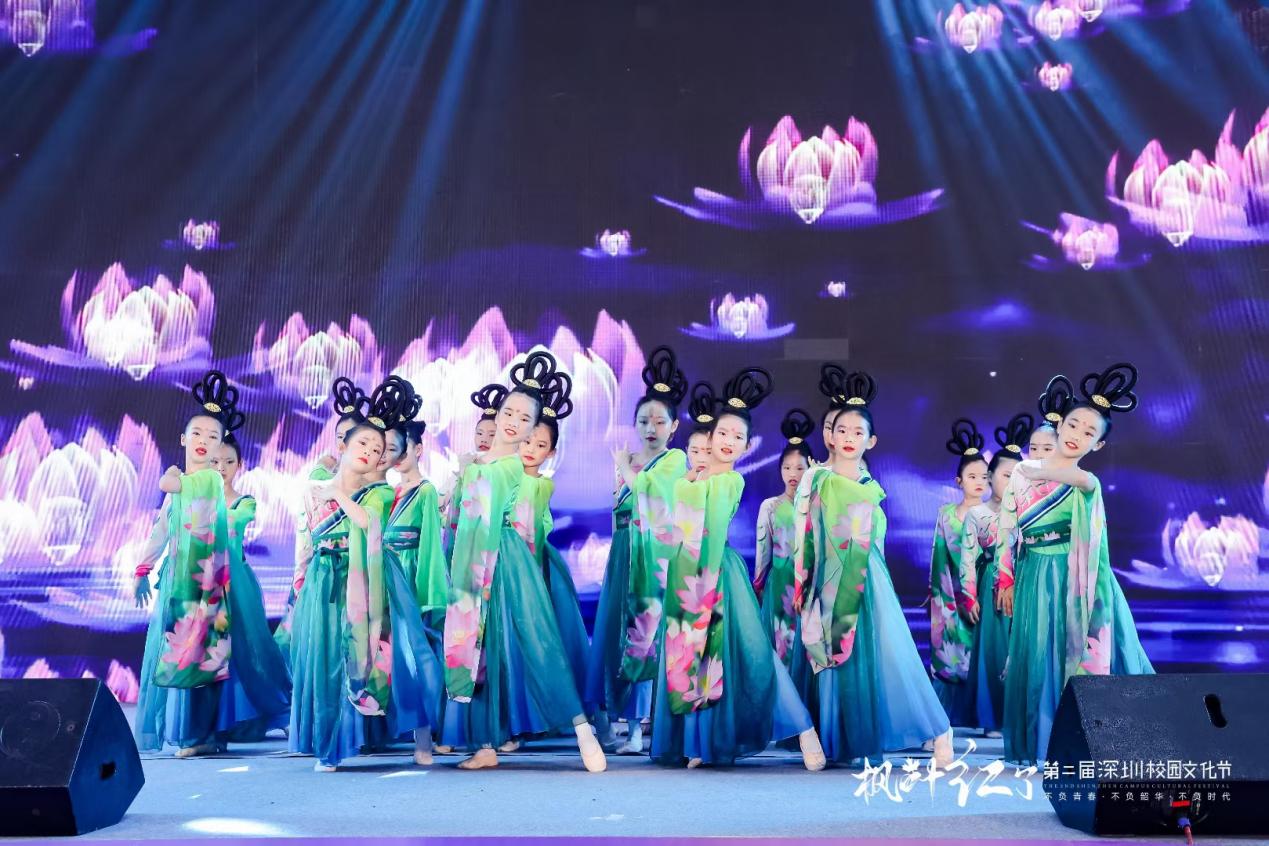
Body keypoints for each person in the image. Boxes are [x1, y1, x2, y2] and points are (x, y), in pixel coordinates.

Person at [441, 351, 607, 772]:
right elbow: (457, 519)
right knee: (483, 653)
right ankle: (485, 744)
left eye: (525, 418)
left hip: (504, 559)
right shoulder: (477, 462)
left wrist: (471, 473)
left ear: (534, 428)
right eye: (509, 412)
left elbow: (489, 510)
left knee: (537, 642)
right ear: (497, 414)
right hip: (472, 561)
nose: (514, 422)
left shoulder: (512, 466)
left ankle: (582, 728)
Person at [651, 370, 825, 770]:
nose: (729, 442)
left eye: (738, 437)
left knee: (753, 654)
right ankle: (698, 741)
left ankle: (802, 728)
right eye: (723, 433)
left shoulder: (729, 481)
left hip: (717, 573)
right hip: (687, 573)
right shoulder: (692, 479)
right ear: (710, 437)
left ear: (747, 446)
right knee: (691, 657)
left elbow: (707, 528)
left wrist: (690, 487)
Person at [791, 370, 953, 767]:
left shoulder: (868, 484)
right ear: (830, 435)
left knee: (888, 655)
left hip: (867, 576)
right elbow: (803, 533)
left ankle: (938, 729)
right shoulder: (815, 477)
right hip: (825, 574)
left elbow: (875, 540)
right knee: (828, 653)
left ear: (871, 440)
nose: (849, 437)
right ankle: (835, 737)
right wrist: (802, 580)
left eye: (858, 432)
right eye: (841, 430)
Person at [996, 366, 1154, 765]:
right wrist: (1005, 578)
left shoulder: (1086, 482)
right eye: (1073, 424)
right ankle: (1044, 740)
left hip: (1078, 578)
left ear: (1097, 444)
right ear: (1060, 423)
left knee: (1075, 651)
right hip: (1034, 573)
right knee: (1040, 654)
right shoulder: (1020, 475)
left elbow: (1078, 484)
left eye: (1088, 433)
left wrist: (1034, 468)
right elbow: (1007, 529)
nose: (1076, 435)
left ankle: (1084, 742)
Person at [288, 378, 444, 772]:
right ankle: (333, 744)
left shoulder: (380, 492)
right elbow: (306, 538)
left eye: (379, 450)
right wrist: (301, 580)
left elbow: (368, 524)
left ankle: (422, 734)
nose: (373, 453)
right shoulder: (313, 488)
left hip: (372, 581)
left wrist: (338, 496)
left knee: (398, 658)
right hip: (325, 579)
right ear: (342, 446)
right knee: (330, 662)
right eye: (364, 444)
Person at [133, 371, 287, 756]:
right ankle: (189, 733)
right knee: (178, 652)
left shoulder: (209, 484)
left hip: (209, 582)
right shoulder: (187, 482)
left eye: (213, 437)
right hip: (178, 579)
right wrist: (143, 568)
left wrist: (173, 477)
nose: (204, 442)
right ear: (184, 439)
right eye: (198, 434)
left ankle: (204, 734)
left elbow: (182, 492)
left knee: (208, 655)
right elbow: (162, 529)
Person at [585, 346, 689, 755]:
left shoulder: (674, 460)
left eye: (660, 421)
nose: (651, 428)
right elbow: (619, 510)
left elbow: (652, 493)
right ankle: (612, 721)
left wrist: (628, 471)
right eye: (644, 420)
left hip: (653, 557)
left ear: (674, 426)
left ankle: (639, 727)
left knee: (645, 635)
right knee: (615, 633)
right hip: (624, 551)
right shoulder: (626, 460)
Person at [962, 412, 1032, 735]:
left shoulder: (1029, 513)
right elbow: (967, 558)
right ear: (989, 476)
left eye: (1018, 476)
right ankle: (991, 717)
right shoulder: (977, 514)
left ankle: (1019, 715)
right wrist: (969, 595)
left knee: (1021, 647)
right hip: (991, 583)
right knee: (993, 649)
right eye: (1006, 475)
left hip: (1026, 580)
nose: (1012, 482)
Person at [928, 419, 989, 728]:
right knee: (950, 652)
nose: (979, 482)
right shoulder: (946, 514)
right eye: (972, 476)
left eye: (984, 477)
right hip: (949, 593)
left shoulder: (993, 514)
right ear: (959, 481)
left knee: (981, 651)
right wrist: (938, 596)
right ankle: (946, 719)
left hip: (983, 592)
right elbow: (939, 555)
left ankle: (982, 715)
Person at [754, 409, 814, 670]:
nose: (793, 473)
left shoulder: (818, 506)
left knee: (808, 647)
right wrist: (758, 586)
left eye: (800, 468)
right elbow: (763, 551)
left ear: (810, 470)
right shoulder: (770, 506)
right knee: (782, 646)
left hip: (810, 584)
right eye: (787, 467)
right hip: (779, 584)